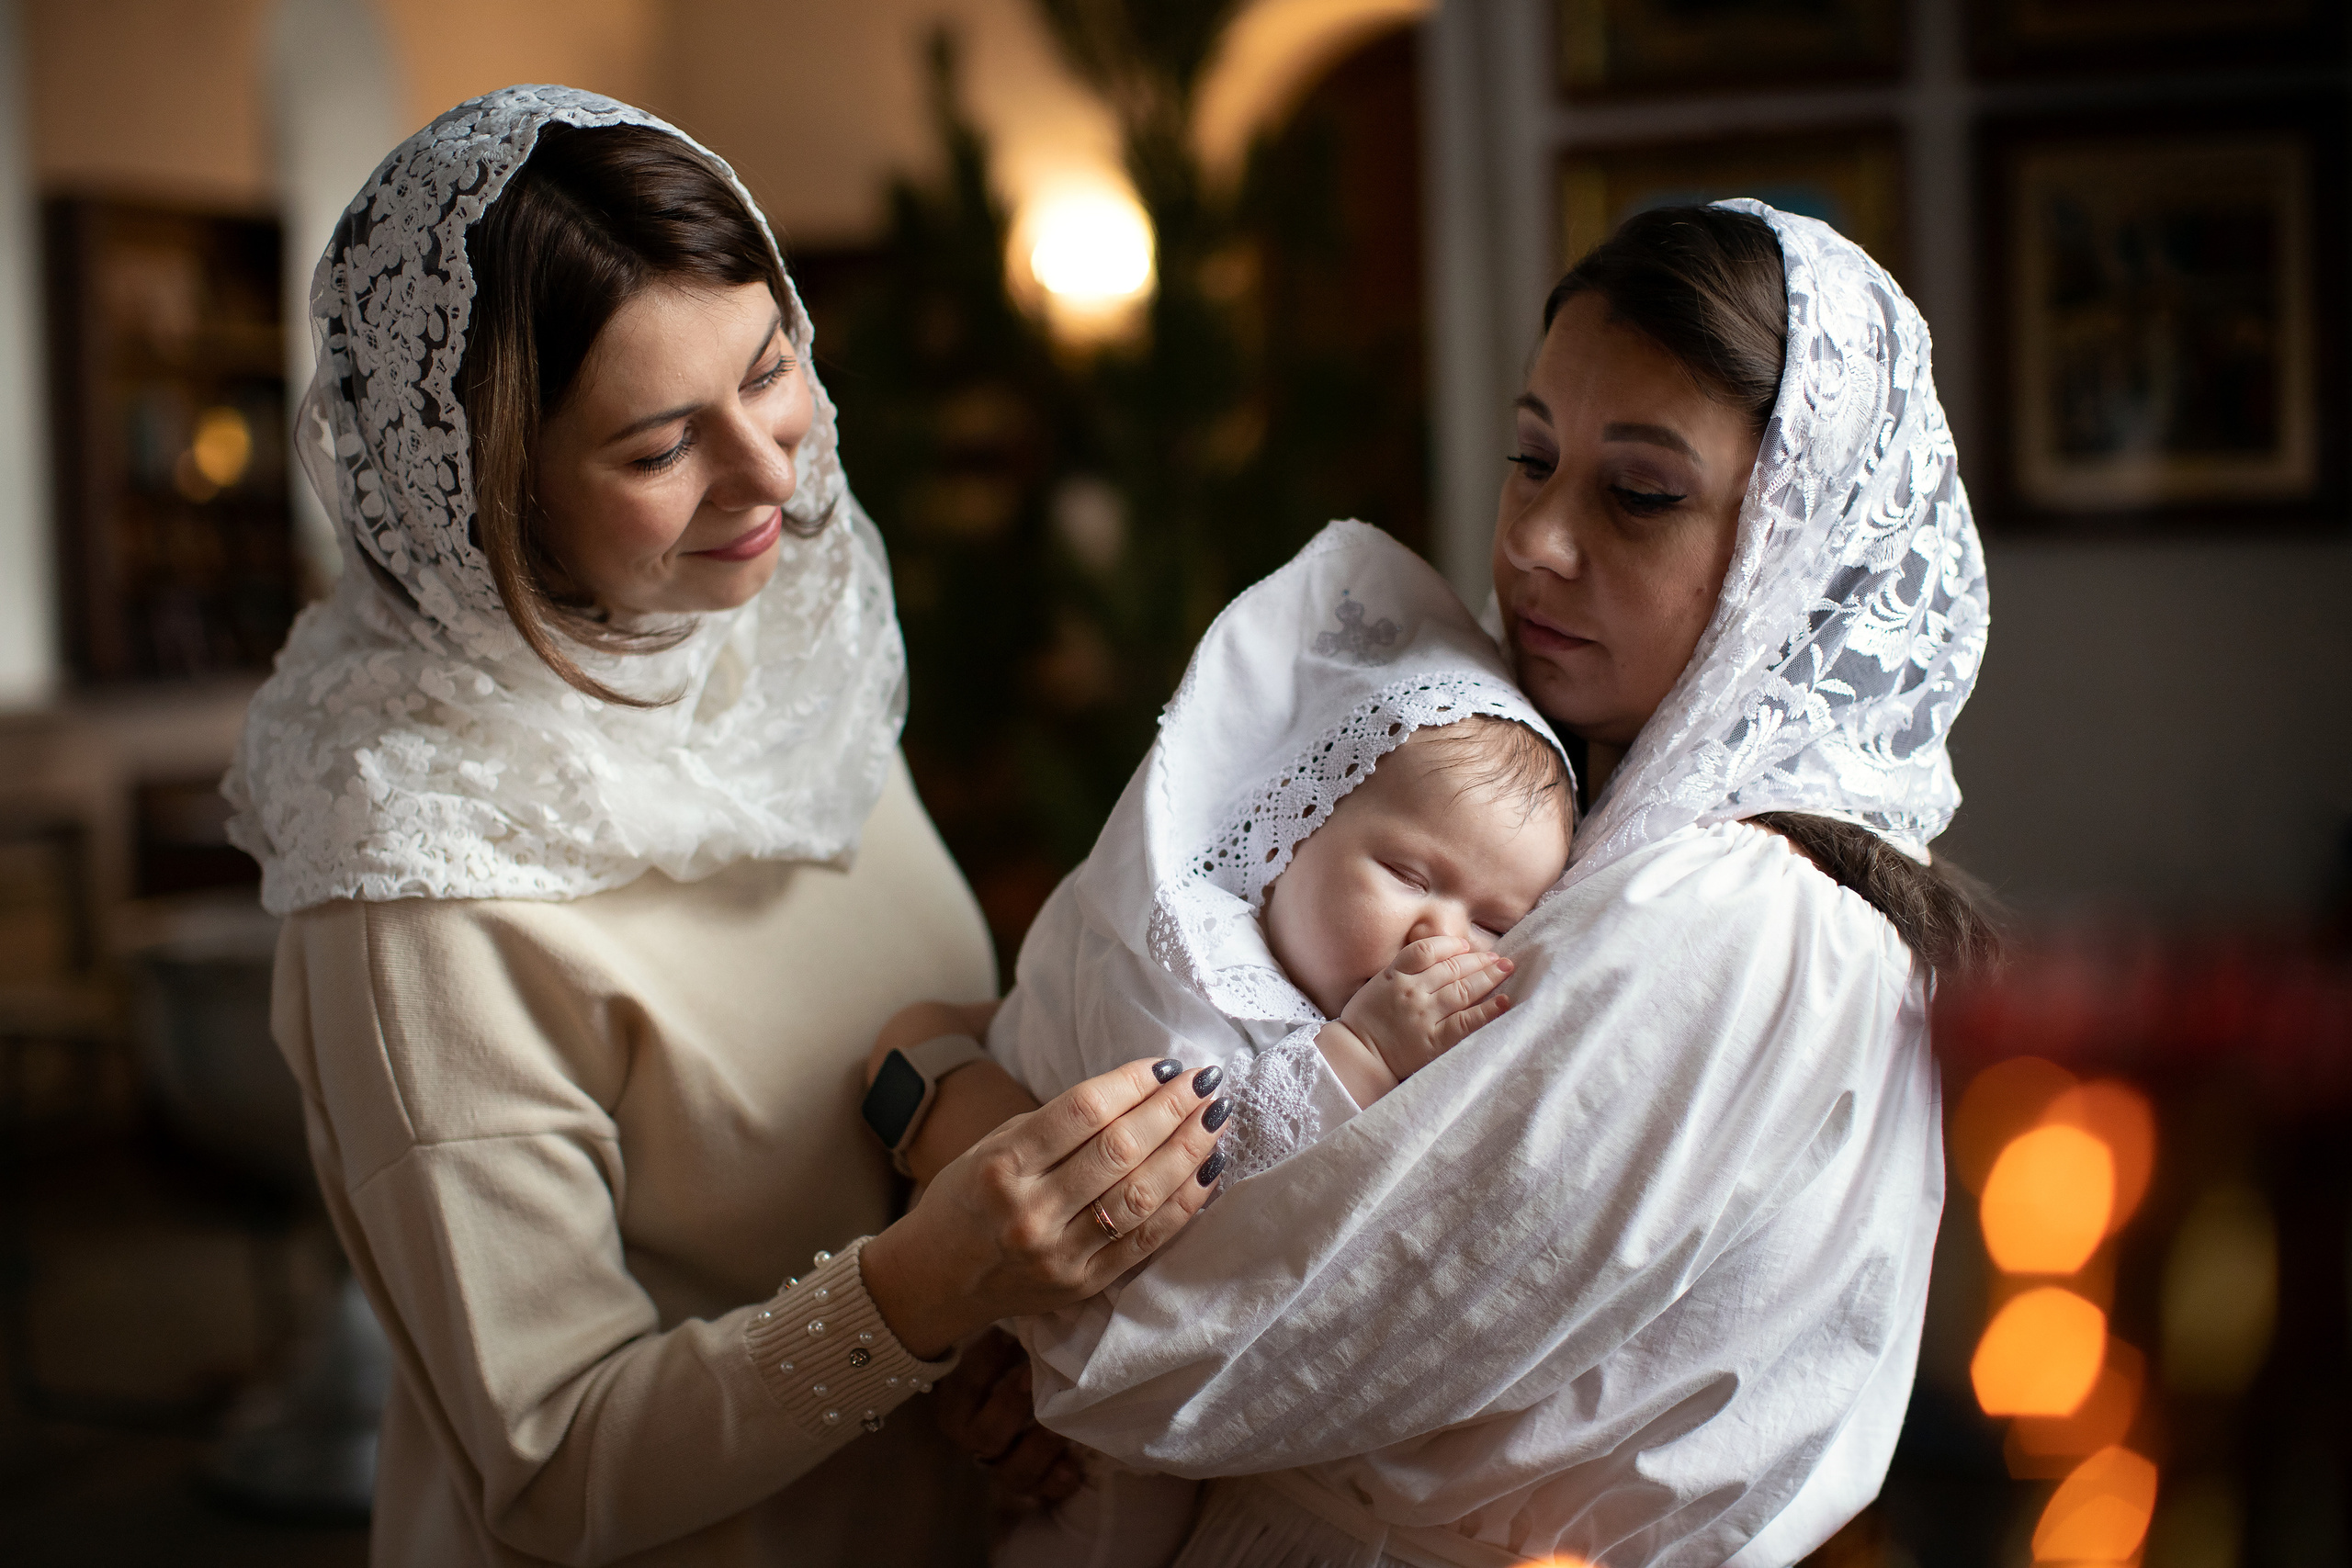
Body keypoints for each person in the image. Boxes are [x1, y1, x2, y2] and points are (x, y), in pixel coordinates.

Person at [223, 85, 1228, 1568]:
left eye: (769, 369)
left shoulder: (766, 676)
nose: (770, 468)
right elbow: (551, 1470)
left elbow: (888, 1109)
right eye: (658, 448)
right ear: (491, 497)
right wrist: (927, 1292)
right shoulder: (417, 890)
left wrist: (994, 1356)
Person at [936, 201, 1996, 1566]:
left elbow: (1171, 1354)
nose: (1538, 540)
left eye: (1640, 493)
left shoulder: (1742, 919)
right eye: (1532, 457)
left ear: (1802, 553)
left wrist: (943, 1104)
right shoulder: (1547, 811)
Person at [872, 524, 1577, 1567]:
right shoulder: (1173, 959)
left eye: (1494, 924)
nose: (1440, 939)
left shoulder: (1336, 990)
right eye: (1410, 876)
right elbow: (1186, 1184)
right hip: (1026, 1351)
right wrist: (1360, 1057)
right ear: (1286, 829)